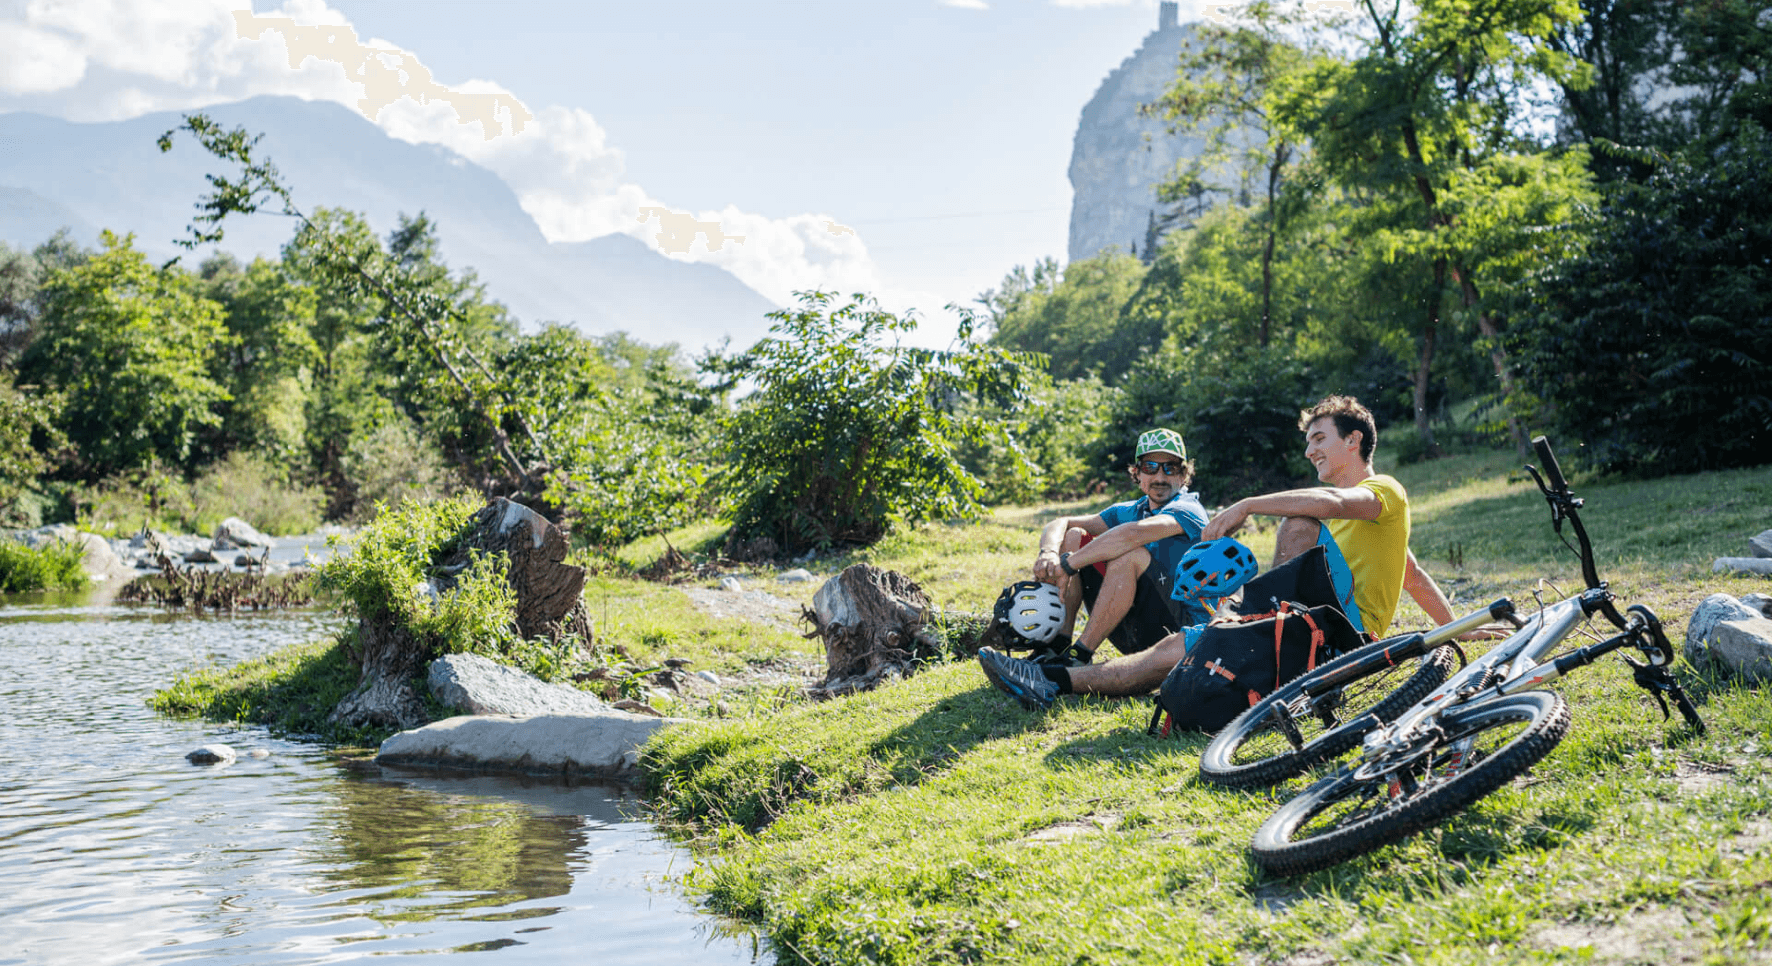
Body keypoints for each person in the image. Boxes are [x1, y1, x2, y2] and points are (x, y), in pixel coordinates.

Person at [980, 395, 1463, 709]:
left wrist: (1247, 504)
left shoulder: (1384, 490)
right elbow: (1412, 572)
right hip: (1321, 625)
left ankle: (1269, 620)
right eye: (1308, 441)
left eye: (1320, 438)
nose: (1310, 450)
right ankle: (1055, 679)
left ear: (1354, 439)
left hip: (1341, 632)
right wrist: (1462, 627)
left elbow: (1333, 502)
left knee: (1298, 520)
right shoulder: (1356, 522)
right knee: (1175, 649)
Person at [1024, 428, 1211, 667]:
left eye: (1170, 467)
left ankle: (1078, 657)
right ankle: (1056, 645)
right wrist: (1048, 552)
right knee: (1074, 536)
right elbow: (1060, 522)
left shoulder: (1188, 509)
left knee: (1131, 555)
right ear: (1137, 473)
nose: (1160, 477)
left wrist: (1067, 565)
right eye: (1150, 467)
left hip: (1180, 635)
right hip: (1133, 627)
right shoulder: (1129, 510)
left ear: (1183, 475)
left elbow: (1133, 533)